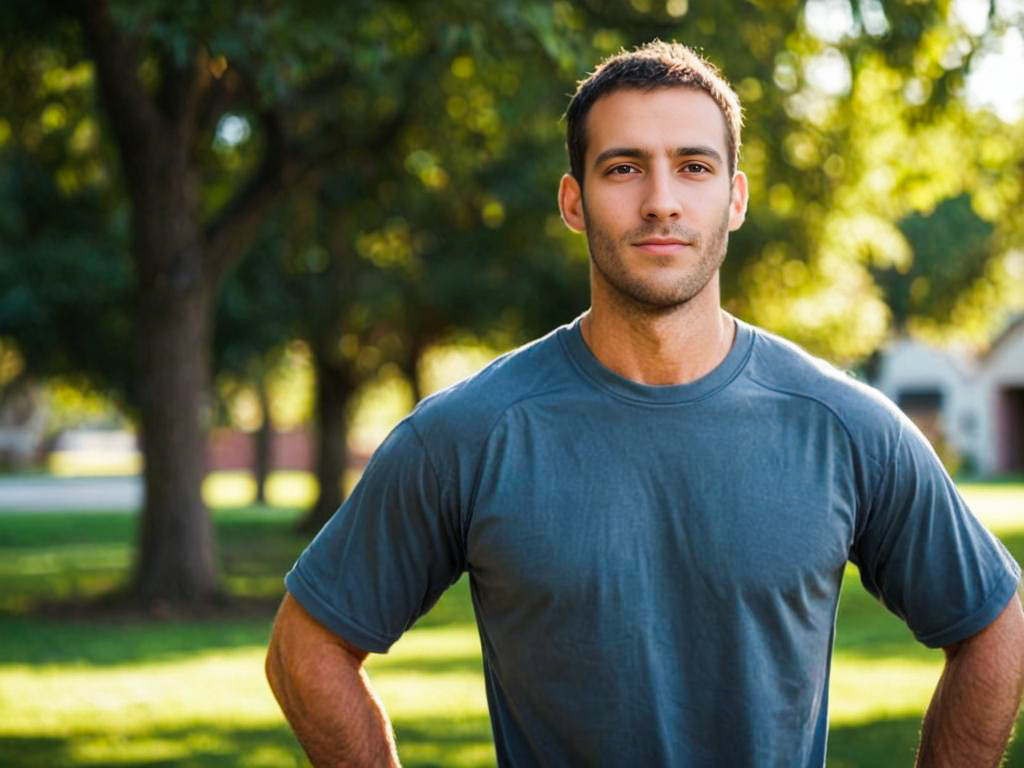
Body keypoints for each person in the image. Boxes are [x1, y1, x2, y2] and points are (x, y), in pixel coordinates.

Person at [266, 41, 1024, 766]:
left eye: (693, 167)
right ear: (573, 201)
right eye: (623, 167)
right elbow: (306, 650)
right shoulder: (468, 434)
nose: (661, 202)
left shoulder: (844, 427)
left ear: (734, 198)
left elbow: (996, 626)